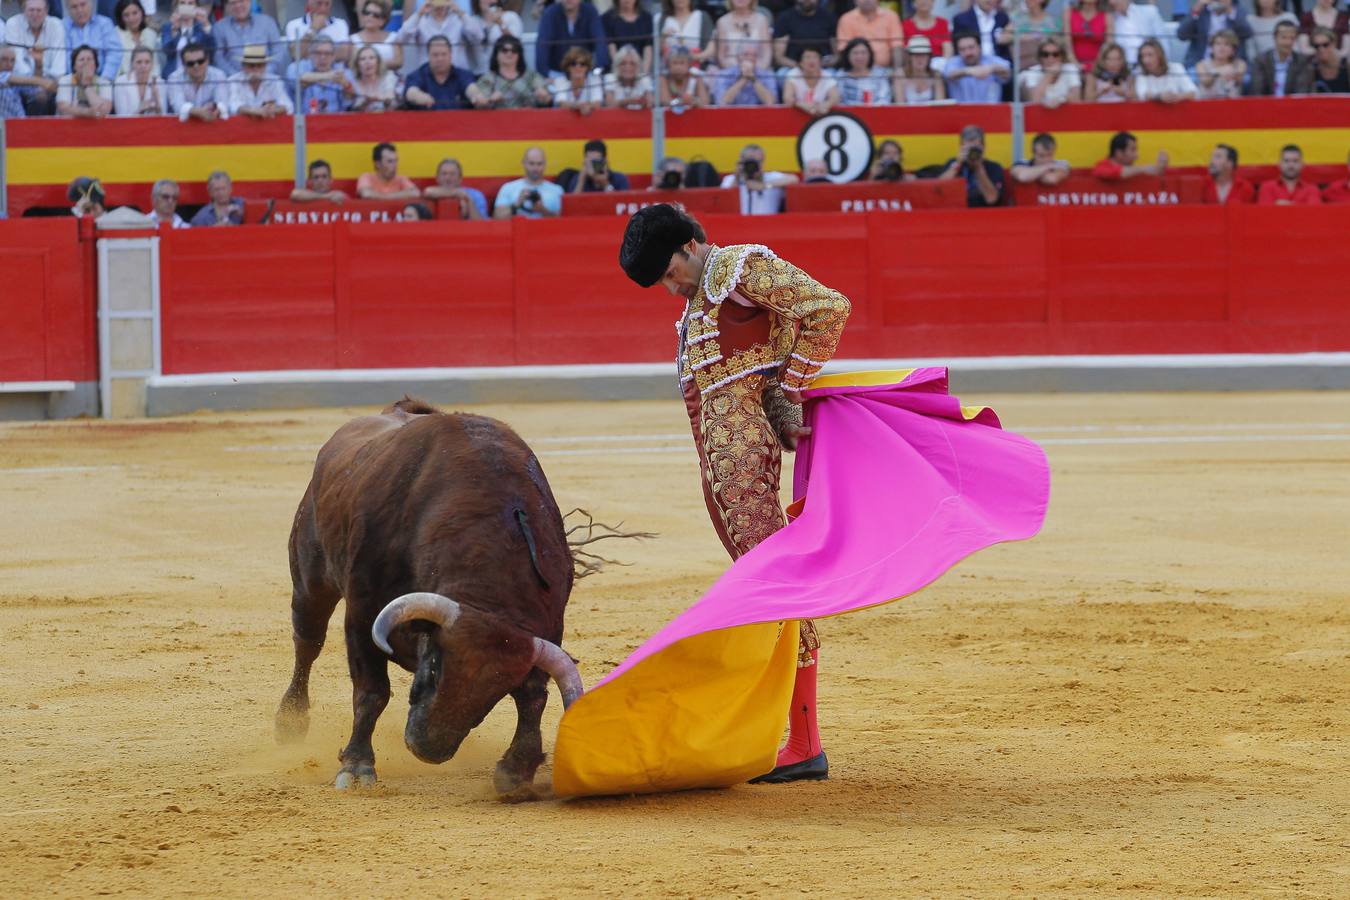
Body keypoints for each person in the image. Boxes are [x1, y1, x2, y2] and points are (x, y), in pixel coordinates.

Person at [617, 203, 851, 784]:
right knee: (768, 587)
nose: (670, 288)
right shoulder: (700, 301)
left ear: (691, 244)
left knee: (778, 589)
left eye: (670, 272)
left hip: (746, 462)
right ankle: (795, 737)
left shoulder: (742, 268)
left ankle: (804, 743)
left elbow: (828, 307)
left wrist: (786, 388)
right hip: (724, 468)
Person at [6, 0, 70, 109]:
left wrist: (44, 80)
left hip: (52, 83)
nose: (35, 14)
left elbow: (58, 68)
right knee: (39, 97)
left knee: (56, 94)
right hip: (21, 83)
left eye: (39, 10)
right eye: (31, 10)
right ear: (24, 11)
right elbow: (18, 67)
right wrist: (39, 82)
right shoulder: (13, 23)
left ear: (46, 11)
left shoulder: (56, 25)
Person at [398, 0, 482, 74]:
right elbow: (401, 38)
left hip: (457, 75)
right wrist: (419, 14)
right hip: (427, 76)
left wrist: (461, 13)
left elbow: (479, 37)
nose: (439, 7)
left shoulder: (459, 19)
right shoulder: (420, 20)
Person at [468, 34, 550, 108]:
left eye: (514, 50)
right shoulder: (488, 78)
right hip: (498, 122)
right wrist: (490, 100)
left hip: (529, 121)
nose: (509, 53)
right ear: (496, 54)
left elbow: (547, 100)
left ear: (519, 55)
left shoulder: (532, 76)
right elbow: (480, 106)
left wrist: (543, 97)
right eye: (504, 50)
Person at [535, 0, 609, 78]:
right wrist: (547, 74)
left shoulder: (590, 11)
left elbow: (600, 41)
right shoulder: (550, 13)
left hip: (586, 74)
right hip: (558, 74)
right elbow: (542, 46)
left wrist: (598, 71)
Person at [720, 143, 798, 215]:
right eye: (751, 162)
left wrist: (764, 185)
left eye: (759, 161)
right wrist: (737, 176)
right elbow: (724, 200)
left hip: (768, 226)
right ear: (742, 162)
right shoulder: (731, 179)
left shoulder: (771, 177)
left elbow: (794, 179)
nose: (755, 165)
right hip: (739, 226)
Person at [939, 124, 1005, 207]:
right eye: (968, 148)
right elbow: (938, 192)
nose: (972, 152)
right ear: (961, 147)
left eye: (975, 148)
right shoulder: (953, 164)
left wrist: (978, 167)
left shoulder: (994, 167)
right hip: (955, 211)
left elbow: (991, 199)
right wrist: (957, 164)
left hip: (983, 213)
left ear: (983, 147)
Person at [215, 0, 286, 77]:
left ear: (250, 2)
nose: (238, 5)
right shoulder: (219, 28)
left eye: (241, 1)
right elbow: (219, 58)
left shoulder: (267, 22)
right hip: (233, 84)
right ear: (227, 6)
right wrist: (238, 78)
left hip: (268, 80)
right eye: (233, 3)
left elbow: (278, 52)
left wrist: (264, 74)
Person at [403, 34, 475, 109]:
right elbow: (411, 92)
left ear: (450, 55)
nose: (440, 59)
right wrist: (419, 96)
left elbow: (470, 88)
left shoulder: (463, 74)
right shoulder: (417, 75)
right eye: (435, 55)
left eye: (444, 54)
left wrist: (476, 95)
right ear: (428, 56)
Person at [1177, 0, 1252, 70]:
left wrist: (1230, 10)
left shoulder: (1237, 11)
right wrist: (1197, 9)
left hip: (1231, 65)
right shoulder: (1201, 11)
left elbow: (1247, 33)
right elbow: (1182, 35)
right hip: (1199, 63)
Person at [493, 146, 564, 218]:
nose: (535, 168)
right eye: (531, 163)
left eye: (539, 164)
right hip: (518, 228)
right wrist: (517, 205)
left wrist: (542, 209)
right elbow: (497, 218)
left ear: (545, 164)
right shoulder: (508, 188)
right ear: (523, 163)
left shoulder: (556, 190)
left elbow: (564, 221)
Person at [1249, 20, 1313, 95]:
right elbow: (1257, 91)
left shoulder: (1301, 61)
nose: (1288, 42)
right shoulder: (1261, 61)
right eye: (1284, 37)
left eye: (1292, 38)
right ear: (1275, 38)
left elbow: (1301, 91)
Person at [167, 41, 228, 120]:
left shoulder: (218, 75)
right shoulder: (174, 78)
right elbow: (178, 105)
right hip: (185, 127)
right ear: (183, 64)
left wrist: (217, 109)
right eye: (190, 63)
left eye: (200, 61)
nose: (196, 66)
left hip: (212, 124)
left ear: (207, 60)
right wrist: (196, 112)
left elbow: (222, 102)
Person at [944, 30, 1009, 103]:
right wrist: (969, 71)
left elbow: (1007, 72)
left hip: (990, 112)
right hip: (961, 112)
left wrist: (991, 68)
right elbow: (949, 74)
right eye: (962, 49)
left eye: (971, 47)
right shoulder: (953, 62)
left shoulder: (991, 60)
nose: (968, 53)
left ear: (980, 47)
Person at [64, 0, 122, 81]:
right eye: (74, 7)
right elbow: (63, 57)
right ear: (68, 9)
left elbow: (114, 53)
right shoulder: (63, 27)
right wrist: (75, 79)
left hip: (102, 78)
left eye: (83, 4)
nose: (79, 10)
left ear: (90, 4)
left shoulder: (105, 24)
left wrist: (103, 81)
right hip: (72, 82)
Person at [836, 0, 903, 70]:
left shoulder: (891, 16)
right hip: (856, 72)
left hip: (886, 71)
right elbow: (844, 50)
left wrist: (898, 70)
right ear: (855, 1)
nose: (867, 0)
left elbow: (897, 47)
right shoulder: (846, 19)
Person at [773, 0, 838, 71]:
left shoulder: (829, 17)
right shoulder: (784, 18)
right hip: (792, 66)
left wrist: (820, 64)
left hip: (824, 67)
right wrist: (802, 66)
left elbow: (837, 55)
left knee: (836, 77)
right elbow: (779, 57)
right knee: (782, 74)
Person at [288, 35, 348, 112]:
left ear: (333, 56)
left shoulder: (341, 70)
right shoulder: (296, 66)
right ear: (310, 54)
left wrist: (346, 86)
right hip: (304, 121)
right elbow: (300, 80)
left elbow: (351, 102)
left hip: (336, 121)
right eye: (318, 53)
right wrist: (329, 76)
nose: (323, 57)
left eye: (327, 53)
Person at [230, 43, 293, 116]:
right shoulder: (233, 80)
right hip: (242, 125)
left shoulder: (275, 80)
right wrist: (254, 111)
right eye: (251, 66)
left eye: (259, 65)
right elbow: (233, 106)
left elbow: (288, 106)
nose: (255, 69)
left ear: (265, 66)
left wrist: (274, 110)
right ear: (243, 66)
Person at [710, 0, 773, 72]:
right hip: (730, 72)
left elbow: (767, 53)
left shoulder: (762, 20)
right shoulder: (722, 22)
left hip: (758, 70)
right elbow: (721, 56)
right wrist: (736, 72)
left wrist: (757, 70)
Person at [1018, 36, 1080, 106]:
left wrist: (1061, 99)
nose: (1050, 59)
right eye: (1045, 55)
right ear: (1040, 57)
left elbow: (1076, 98)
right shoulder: (1032, 72)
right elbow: (1034, 101)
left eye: (1055, 54)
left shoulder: (1070, 69)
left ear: (1062, 56)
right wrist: (1048, 75)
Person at [161, 1, 215, 79]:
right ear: (176, 7)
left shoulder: (201, 26)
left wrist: (206, 25)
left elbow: (211, 51)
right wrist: (174, 30)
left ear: (196, 7)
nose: (186, 6)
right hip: (174, 75)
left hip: (200, 74)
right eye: (182, 3)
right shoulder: (168, 26)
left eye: (190, 3)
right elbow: (168, 51)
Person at [285, 0, 350, 64]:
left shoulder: (340, 24)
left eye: (327, 4)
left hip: (333, 70)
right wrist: (313, 29)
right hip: (305, 70)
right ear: (309, 3)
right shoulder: (294, 25)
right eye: (319, 3)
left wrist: (308, 53)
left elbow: (344, 54)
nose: (323, 8)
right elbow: (296, 54)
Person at [57, 44, 114, 116]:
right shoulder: (65, 80)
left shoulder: (104, 82)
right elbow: (64, 109)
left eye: (89, 59)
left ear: (95, 64)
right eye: (81, 59)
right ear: (74, 66)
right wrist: (88, 112)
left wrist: (87, 84)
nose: (85, 63)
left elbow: (104, 110)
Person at [1134, 37, 1197, 102]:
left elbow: (1193, 92)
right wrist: (1159, 96)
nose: (1145, 60)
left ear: (1160, 55)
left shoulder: (1176, 68)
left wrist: (1176, 97)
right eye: (1143, 56)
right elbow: (1142, 94)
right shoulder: (1140, 71)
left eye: (1150, 55)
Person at [348, 0, 403, 73]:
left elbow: (398, 62)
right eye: (366, 13)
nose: (369, 16)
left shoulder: (394, 37)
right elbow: (352, 63)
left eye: (375, 15)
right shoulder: (352, 39)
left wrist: (371, 64)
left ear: (384, 20)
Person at [422, 158, 487, 219]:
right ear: (437, 178)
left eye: (452, 174)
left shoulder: (476, 195)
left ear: (460, 178)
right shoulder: (432, 193)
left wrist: (469, 201)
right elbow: (427, 192)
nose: (448, 178)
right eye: (444, 174)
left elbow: (480, 224)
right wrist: (457, 193)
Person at [782, 46, 838, 116]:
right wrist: (802, 105)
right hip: (797, 115)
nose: (812, 61)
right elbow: (787, 98)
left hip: (821, 115)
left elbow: (835, 97)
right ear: (800, 63)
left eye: (815, 57)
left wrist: (826, 105)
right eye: (808, 57)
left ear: (820, 62)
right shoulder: (793, 74)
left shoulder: (827, 76)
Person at [1258, 145, 1322, 205]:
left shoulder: (1312, 189)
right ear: (1279, 164)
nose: (1291, 165)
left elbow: (1313, 213)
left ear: (1302, 165)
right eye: (1286, 161)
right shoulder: (1267, 188)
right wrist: (1300, 205)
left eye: (1295, 161)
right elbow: (1264, 214)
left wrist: (1283, 205)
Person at [714, 45, 778, 106]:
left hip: (759, 115)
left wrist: (753, 79)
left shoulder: (767, 75)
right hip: (731, 114)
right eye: (746, 54)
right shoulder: (724, 74)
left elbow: (771, 102)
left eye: (754, 55)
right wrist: (743, 79)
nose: (750, 58)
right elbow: (722, 102)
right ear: (738, 57)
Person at [953, 0, 1011, 66]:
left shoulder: (1003, 17)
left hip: (999, 64)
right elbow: (958, 47)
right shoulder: (961, 19)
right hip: (971, 64)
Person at [1108, 0, 1166, 66]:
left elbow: (1163, 42)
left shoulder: (1149, 12)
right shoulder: (1111, 20)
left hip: (1147, 67)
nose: (1111, 2)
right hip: (1123, 69)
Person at [602, 0, 654, 73]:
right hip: (615, 71)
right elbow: (611, 47)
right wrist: (621, 72)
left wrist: (643, 74)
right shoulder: (607, 18)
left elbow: (648, 48)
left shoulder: (647, 18)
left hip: (640, 70)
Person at [837, 36, 892, 105]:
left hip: (875, 113)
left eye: (863, 53)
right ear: (848, 55)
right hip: (848, 114)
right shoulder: (841, 74)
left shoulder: (880, 74)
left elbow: (884, 100)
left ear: (870, 55)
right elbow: (839, 101)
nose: (859, 57)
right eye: (855, 53)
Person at [1092, 130, 1168, 179]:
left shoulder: (1132, 170)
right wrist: (1142, 169)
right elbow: (1114, 173)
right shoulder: (1101, 167)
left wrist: (1160, 168)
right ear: (1119, 153)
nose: (1136, 156)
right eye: (1133, 150)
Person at [113, 44, 167, 114]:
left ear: (152, 64)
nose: (143, 66)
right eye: (139, 62)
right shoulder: (121, 82)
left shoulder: (160, 83)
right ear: (132, 64)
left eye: (147, 62)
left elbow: (163, 116)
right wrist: (140, 109)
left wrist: (157, 100)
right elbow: (122, 116)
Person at [550, 45, 605, 112]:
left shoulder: (595, 80)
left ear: (587, 67)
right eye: (573, 64)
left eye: (582, 64)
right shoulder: (560, 81)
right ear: (567, 67)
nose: (578, 67)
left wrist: (584, 106)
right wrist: (578, 106)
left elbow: (597, 104)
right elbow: (562, 104)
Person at [1009, 0, 1060, 72]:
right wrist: (1024, 38)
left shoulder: (1053, 21)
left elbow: (1059, 43)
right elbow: (1002, 38)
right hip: (1024, 66)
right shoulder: (1018, 18)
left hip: (1047, 64)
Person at [357, 142, 421, 199]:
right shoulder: (367, 177)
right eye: (390, 161)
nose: (395, 165)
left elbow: (415, 193)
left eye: (396, 161)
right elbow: (366, 194)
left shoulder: (401, 179)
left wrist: (382, 196)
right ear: (378, 164)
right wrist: (400, 195)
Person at [113, 0, 159, 77]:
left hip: (149, 82)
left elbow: (156, 66)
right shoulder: (115, 34)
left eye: (135, 13)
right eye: (126, 15)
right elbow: (116, 68)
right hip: (124, 82)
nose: (131, 18)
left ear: (141, 12)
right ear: (121, 17)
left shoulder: (151, 34)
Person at [1196, 29, 1247, 98]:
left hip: (1232, 105)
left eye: (1226, 44)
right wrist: (1218, 71)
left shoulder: (1240, 64)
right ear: (1211, 48)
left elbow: (1239, 79)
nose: (1221, 47)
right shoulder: (1201, 64)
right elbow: (1205, 82)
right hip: (1206, 104)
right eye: (1218, 44)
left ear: (1233, 49)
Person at [895, 34, 946, 102]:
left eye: (923, 55)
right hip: (907, 112)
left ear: (929, 56)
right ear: (910, 57)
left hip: (930, 112)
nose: (920, 59)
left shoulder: (936, 75)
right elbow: (899, 106)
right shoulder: (900, 75)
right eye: (916, 55)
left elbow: (941, 104)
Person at [347, 45, 398, 111]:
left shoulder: (388, 76)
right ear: (357, 64)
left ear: (378, 62)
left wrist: (377, 98)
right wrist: (366, 102)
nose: (367, 62)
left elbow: (391, 98)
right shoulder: (352, 81)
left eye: (371, 58)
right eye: (362, 59)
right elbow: (351, 110)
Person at [660, 44, 710, 109]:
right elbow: (665, 101)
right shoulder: (663, 78)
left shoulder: (695, 76)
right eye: (675, 63)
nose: (678, 67)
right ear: (669, 65)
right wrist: (681, 101)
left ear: (689, 65)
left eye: (682, 63)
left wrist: (695, 102)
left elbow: (705, 102)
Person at [1064, 0, 1111, 69]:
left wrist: (1095, 66)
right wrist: (1076, 65)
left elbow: (1108, 45)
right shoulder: (1069, 13)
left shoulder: (1107, 16)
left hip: (1099, 66)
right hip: (1073, 65)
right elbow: (1067, 45)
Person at [604, 43, 653, 108]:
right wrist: (628, 101)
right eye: (623, 63)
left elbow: (651, 104)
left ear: (638, 66)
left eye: (632, 63)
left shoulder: (644, 79)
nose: (628, 67)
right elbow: (609, 104)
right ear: (617, 66)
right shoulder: (610, 78)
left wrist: (644, 102)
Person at [0, 45, 42, 118]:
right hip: (3, 126)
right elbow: (7, 78)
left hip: (20, 124)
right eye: (4, 59)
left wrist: (38, 64)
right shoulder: (13, 78)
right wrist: (43, 82)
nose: (9, 64)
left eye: (12, 60)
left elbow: (37, 93)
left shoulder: (17, 78)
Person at [1311, 26, 1350, 91]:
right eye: (1316, 46)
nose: (1321, 49)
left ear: (1334, 43)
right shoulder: (1312, 69)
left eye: (1325, 45)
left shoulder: (1347, 66)